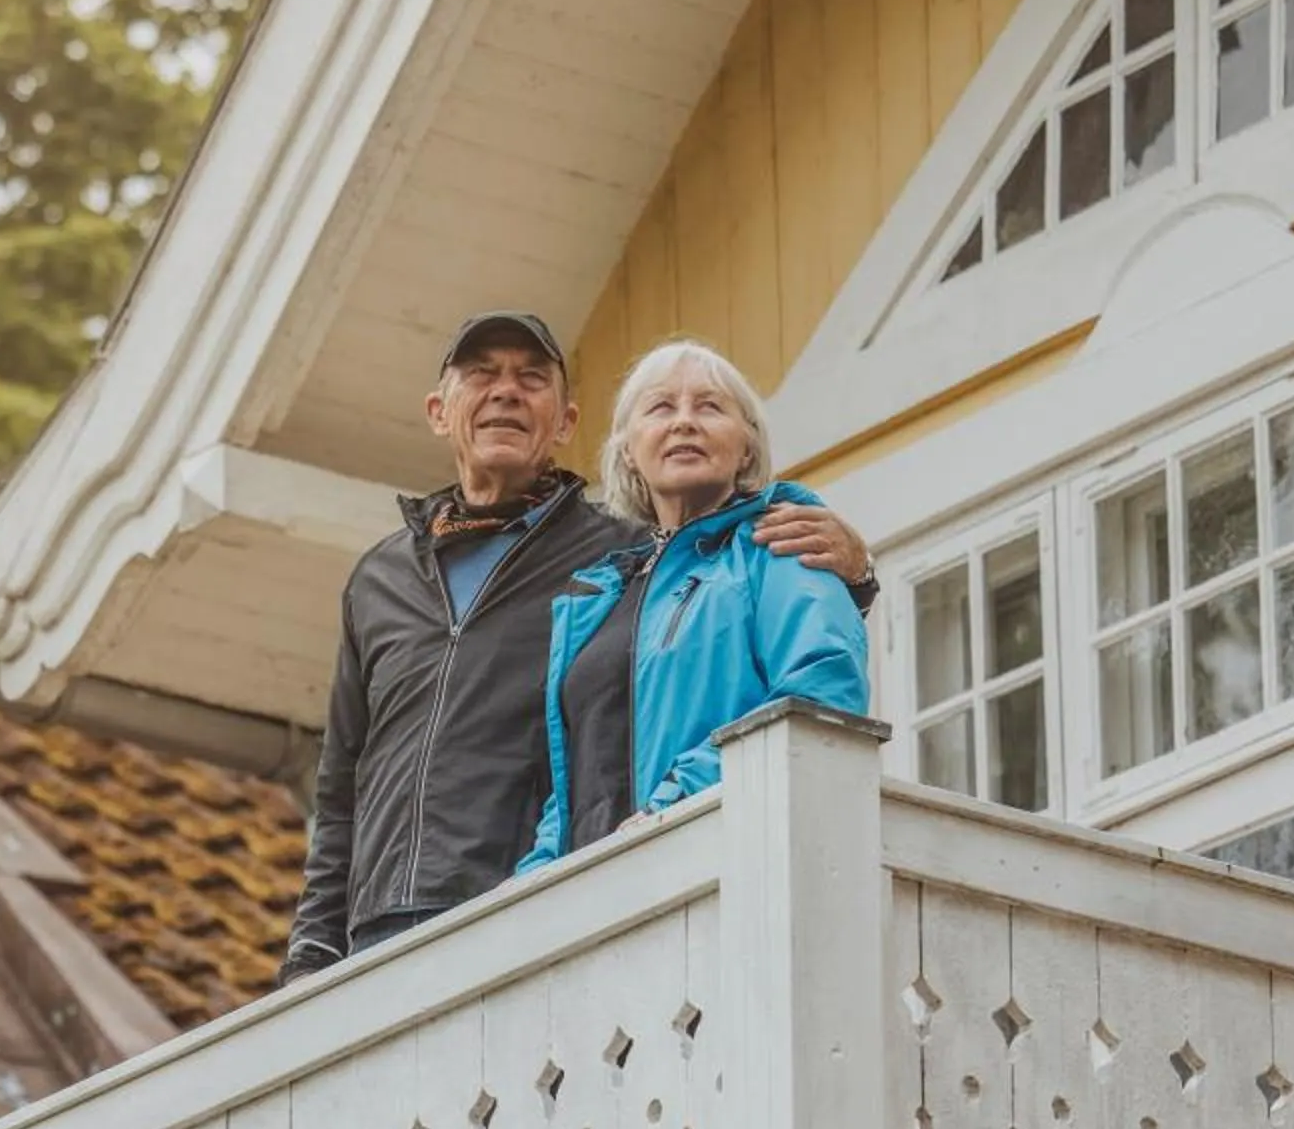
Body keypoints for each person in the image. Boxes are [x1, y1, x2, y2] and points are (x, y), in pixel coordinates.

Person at [279, 312, 871, 982]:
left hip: (563, 915)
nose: (506, 391)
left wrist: (859, 574)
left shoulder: (621, 556)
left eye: (532, 379)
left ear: (565, 424)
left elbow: (812, 683)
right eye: (482, 375)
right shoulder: (396, 580)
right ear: (439, 412)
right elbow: (343, 783)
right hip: (397, 925)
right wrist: (313, 949)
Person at [517, 337, 870, 873]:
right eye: (661, 407)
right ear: (629, 451)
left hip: (728, 868)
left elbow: (821, 693)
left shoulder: (780, 544)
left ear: (747, 447)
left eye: (709, 406)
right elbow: (576, 781)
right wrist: (535, 879)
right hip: (596, 902)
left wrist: (679, 801)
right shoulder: (600, 599)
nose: (684, 422)